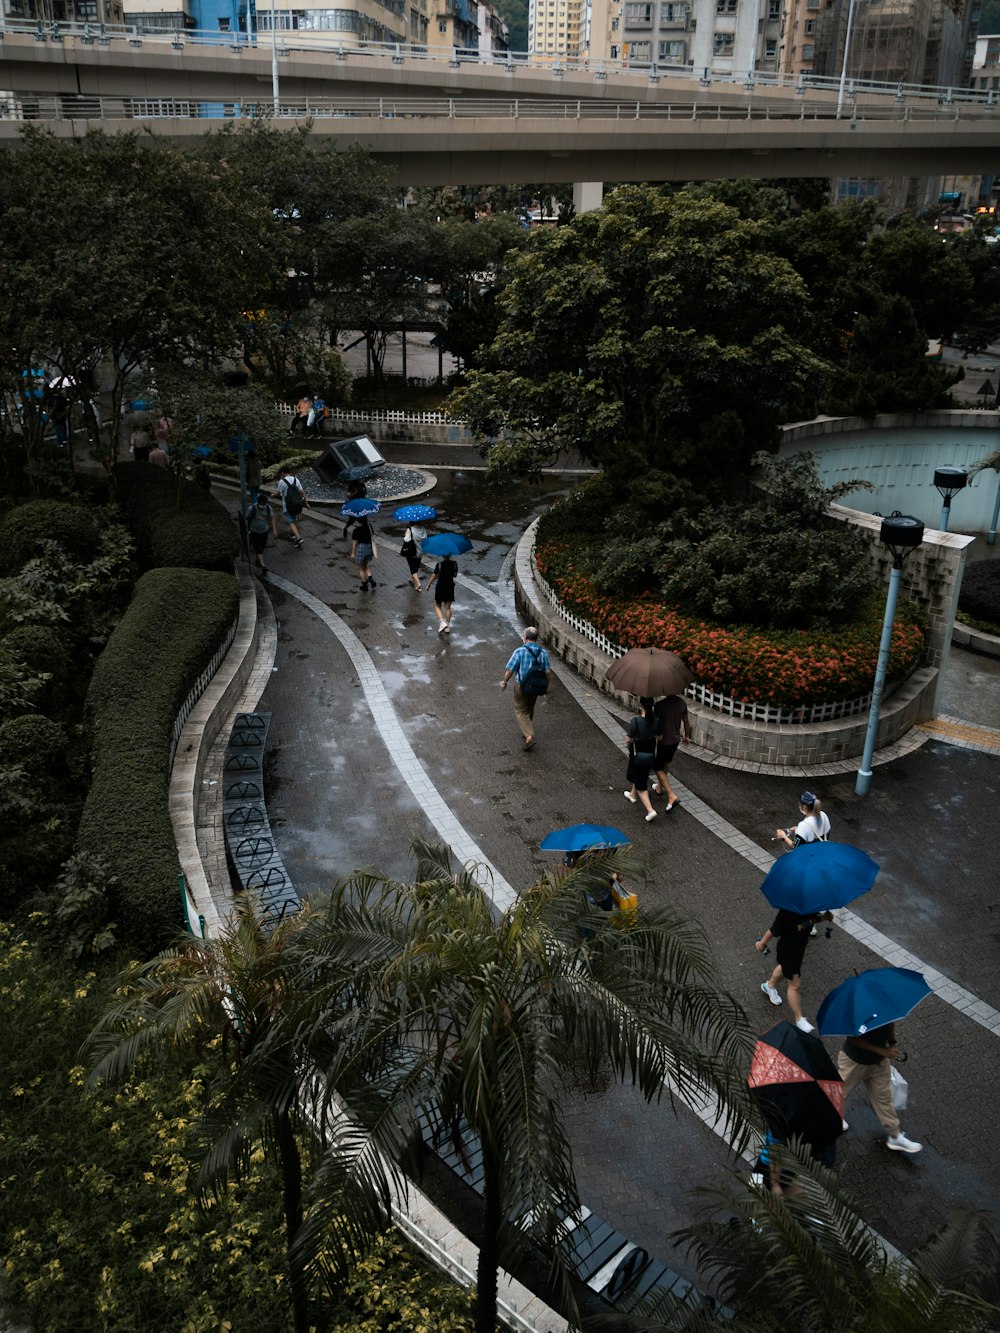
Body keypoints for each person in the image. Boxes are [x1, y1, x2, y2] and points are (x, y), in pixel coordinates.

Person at [837, 1022, 922, 1154]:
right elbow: (854, 1039)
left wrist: (892, 1042)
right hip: (854, 1062)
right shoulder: (855, 1010)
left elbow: (890, 1023)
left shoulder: (884, 1004)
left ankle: (895, 1136)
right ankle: (832, 1118)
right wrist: (883, 1051)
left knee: (884, 1099)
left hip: (880, 1061)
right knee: (838, 1093)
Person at [755, 908, 832, 1033]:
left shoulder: (810, 907)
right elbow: (774, 929)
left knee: (784, 969)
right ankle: (799, 1019)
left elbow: (809, 922)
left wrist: (824, 918)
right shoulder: (787, 911)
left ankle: (769, 986)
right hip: (788, 950)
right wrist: (762, 943)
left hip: (799, 950)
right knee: (795, 985)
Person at [500, 626, 551, 751]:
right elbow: (548, 672)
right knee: (529, 707)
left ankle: (529, 736)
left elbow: (510, 669)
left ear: (525, 637)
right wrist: (546, 686)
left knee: (521, 709)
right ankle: (527, 730)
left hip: (521, 685)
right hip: (536, 686)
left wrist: (504, 682)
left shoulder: (519, 651)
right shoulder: (543, 652)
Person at [623, 696, 663, 823]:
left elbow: (629, 739)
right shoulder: (656, 721)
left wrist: (629, 745)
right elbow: (660, 738)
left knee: (641, 784)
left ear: (641, 706)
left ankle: (650, 810)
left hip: (637, 755)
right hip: (650, 755)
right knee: (641, 775)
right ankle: (633, 794)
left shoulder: (635, 721)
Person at [651, 693, 692, 811]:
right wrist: (687, 736)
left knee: (657, 767)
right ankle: (659, 787)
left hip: (664, 741)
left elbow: (656, 725)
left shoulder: (660, 706)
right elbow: (686, 721)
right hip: (675, 740)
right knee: (666, 763)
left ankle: (671, 795)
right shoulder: (681, 703)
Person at [276, 466, 308, 548]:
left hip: (287, 506)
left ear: (283, 472)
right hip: (297, 504)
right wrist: (306, 503)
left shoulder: (281, 482)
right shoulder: (296, 480)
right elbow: (302, 492)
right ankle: (292, 534)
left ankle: (298, 538)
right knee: (293, 520)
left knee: (290, 522)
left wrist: (272, 495)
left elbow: (278, 493)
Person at [246, 492, 276, 577]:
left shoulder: (268, 508)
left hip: (264, 531)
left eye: (264, 503)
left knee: (261, 547)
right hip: (254, 531)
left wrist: (274, 530)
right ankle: (263, 566)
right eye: (261, 503)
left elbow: (272, 518)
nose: (262, 505)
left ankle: (258, 560)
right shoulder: (252, 508)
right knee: (258, 548)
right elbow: (247, 517)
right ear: (258, 502)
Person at [427, 553, 458, 634]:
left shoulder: (439, 565)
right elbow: (455, 575)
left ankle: (442, 622)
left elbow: (434, 576)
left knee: (437, 605)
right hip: (450, 587)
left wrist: (429, 584)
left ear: (442, 555)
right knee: (448, 607)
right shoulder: (454, 564)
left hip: (440, 587)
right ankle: (447, 626)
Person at [351, 513, 377, 590]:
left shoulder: (356, 530)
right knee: (365, 564)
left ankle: (364, 585)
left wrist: (353, 553)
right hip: (369, 548)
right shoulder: (369, 527)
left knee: (361, 568)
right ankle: (370, 578)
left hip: (361, 549)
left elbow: (354, 543)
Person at [400, 525, 423, 591]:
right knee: (416, 566)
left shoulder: (410, 529)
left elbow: (406, 539)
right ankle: (412, 579)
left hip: (412, 552)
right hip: (420, 551)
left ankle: (418, 583)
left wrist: (406, 535)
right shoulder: (422, 528)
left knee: (413, 568)